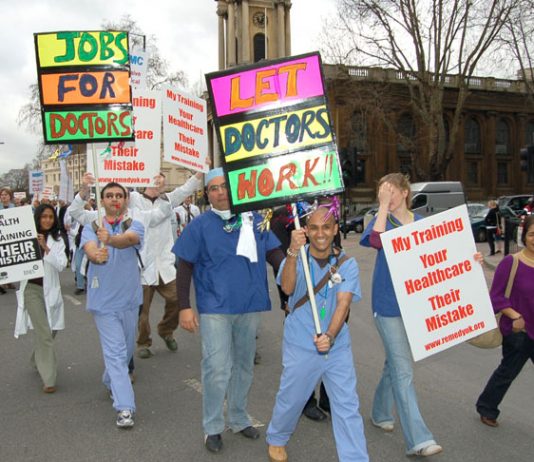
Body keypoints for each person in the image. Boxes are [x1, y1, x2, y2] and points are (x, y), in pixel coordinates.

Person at [173, 167, 283, 454]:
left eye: (224, 186)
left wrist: (291, 265)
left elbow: (274, 255)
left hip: (249, 304)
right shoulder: (200, 225)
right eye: (214, 188)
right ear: (206, 193)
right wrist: (185, 307)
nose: (220, 192)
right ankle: (212, 427)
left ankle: (237, 417)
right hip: (215, 308)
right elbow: (184, 266)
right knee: (217, 368)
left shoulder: (256, 219)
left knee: (244, 366)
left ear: (235, 188)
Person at [266, 202, 369, 462]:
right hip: (300, 343)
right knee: (292, 398)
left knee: (347, 406)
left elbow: (343, 305)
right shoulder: (297, 258)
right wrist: (291, 252)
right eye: (313, 227)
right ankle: (277, 437)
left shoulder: (347, 263)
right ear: (306, 231)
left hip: (336, 346)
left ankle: (355, 458)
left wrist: (330, 337)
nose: (320, 233)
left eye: (326, 227)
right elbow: (288, 288)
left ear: (335, 229)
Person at [360, 173, 443, 457]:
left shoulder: (422, 223)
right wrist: (382, 207)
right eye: (382, 191)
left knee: (394, 364)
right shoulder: (379, 221)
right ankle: (419, 440)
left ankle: (380, 412)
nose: (387, 195)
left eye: (392, 191)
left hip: (416, 307)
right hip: (387, 307)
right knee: (403, 370)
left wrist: (470, 259)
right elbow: (375, 242)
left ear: (405, 192)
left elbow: (440, 258)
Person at [80, 181, 144, 429]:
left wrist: (112, 239)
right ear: (102, 200)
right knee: (117, 354)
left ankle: (110, 380)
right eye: (109, 195)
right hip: (103, 302)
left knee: (126, 350)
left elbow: (130, 240)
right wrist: (97, 253)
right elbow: (90, 250)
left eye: (119, 195)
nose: (115, 199)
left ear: (125, 200)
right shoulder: (92, 226)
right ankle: (125, 408)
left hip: (129, 300)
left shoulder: (134, 224)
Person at [476, 215, 534, 427]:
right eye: (531, 234)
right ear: (523, 236)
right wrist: (514, 315)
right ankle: (486, 407)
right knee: (507, 372)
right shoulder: (512, 262)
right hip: (519, 332)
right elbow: (497, 296)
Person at [14, 204, 67, 393]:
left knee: (51, 331)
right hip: (31, 291)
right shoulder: (25, 236)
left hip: (50, 290)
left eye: (51, 217)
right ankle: (49, 379)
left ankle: (37, 358)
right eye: (43, 216)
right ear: (37, 218)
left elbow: (61, 265)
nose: (47, 220)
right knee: (45, 333)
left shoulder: (57, 240)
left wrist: (45, 248)